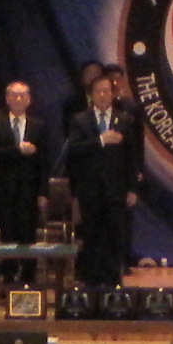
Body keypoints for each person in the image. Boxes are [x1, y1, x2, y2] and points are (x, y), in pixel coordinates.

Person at [65, 72, 136, 289]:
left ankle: (113, 279)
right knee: (92, 233)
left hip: (116, 189)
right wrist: (100, 140)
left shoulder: (125, 120)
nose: (103, 95)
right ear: (91, 95)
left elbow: (132, 157)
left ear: (113, 94)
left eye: (106, 91)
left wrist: (132, 188)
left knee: (115, 234)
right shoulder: (80, 120)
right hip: (90, 189)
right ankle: (91, 280)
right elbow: (74, 149)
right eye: (98, 91)